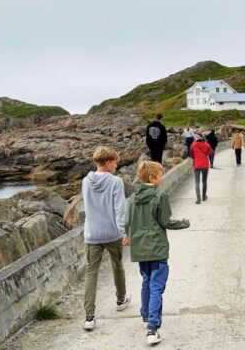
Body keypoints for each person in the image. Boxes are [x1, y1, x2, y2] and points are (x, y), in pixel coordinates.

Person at [124, 161, 190, 346]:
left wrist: (127, 235)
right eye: (161, 175)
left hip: (140, 248)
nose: (162, 177)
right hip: (157, 248)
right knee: (156, 287)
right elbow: (166, 221)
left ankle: (145, 316)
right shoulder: (160, 195)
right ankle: (152, 328)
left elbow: (126, 221)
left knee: (146, 281)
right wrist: (184, 223)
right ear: (152, 178)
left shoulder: (133, 198)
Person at [82, 146, 131, 332]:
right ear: (109, 162)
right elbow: (120, 209)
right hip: (111, 233)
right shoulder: (115, 182)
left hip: (92, 233)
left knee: (91, 272)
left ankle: (89, 317)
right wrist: (124, 232)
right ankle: (120, 299)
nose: (117, 165)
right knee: (117, 265)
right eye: (116, 162)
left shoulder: (86, 181)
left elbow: (88, 206)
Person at [190, 134, 213, 203]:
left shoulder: (193, 145)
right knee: (204, 181)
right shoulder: (206, 144)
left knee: (197, 182)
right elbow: (212, 152)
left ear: (196, 138)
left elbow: (191, 155)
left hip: (197, 164)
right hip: (205, 164)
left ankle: (198, 198)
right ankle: (204, 196)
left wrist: (196, 158)